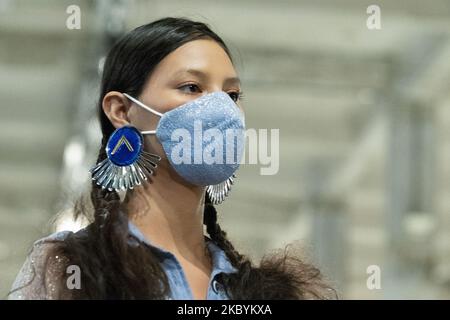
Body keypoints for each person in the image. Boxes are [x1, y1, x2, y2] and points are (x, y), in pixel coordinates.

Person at [8, 17, 335, 300]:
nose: (222, 108)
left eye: (232, 94)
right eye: (192, 87)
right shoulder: (71, 264)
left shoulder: (264, 291)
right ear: (122, 111)